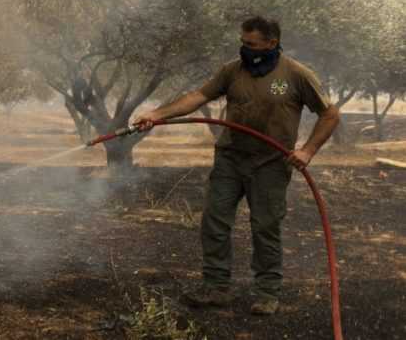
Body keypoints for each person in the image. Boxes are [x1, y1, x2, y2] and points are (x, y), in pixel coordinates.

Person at [133, 16, 340, 316]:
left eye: (251, 44)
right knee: (214, 222)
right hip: (230, 158)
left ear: (272, 43)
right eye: (242, 43)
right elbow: (198, 96)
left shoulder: (296, 74)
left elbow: (330, 115)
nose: (245, 49)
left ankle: (267, 292)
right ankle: (216, 288)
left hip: (270, 163)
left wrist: (308, 150)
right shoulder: (232, 70)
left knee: (265, 227)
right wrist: (157, 113)